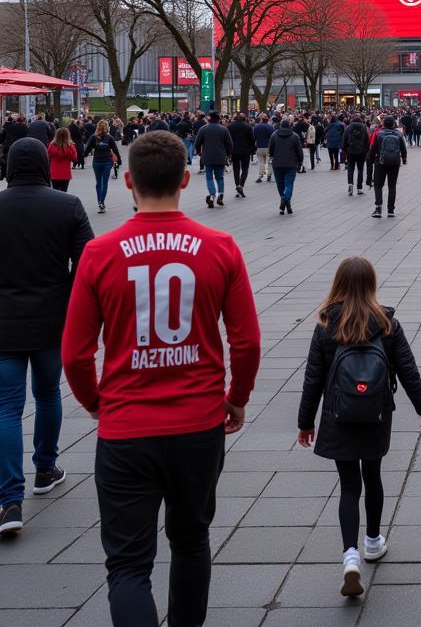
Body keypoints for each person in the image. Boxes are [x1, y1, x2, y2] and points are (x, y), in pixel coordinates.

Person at [61, 131, 261, 626]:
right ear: (187, 180)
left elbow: (75, 353)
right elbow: (248, 342)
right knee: (191, 541)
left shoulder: (99, 254)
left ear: (128, 181)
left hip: (127, 425)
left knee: (128, 565)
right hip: (198, 423)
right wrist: (236, 398)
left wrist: (95, 402)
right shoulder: (220, 247)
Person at [297, 256, 421, 596]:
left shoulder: (327, 325)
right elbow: (408, 369)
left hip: (338, 416)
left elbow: (313, 379)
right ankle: (373, 541)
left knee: (348, 487)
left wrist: (305, 422)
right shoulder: (387, 324)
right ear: (372, 285)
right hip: (375, 416)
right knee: (373, 477)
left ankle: (350, 556)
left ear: (338, 285)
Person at [0, 139, 92, 536]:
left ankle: (9, 498)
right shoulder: (66, 205)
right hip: (53, 318)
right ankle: (45, 467)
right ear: (42, 163)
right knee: (49, 393)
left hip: (4, 322)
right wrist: (68, 298)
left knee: (6, 406)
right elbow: (87, 261)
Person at [367, 116, 407, 219]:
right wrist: (404, 159)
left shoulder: (379, 134)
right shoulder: (399, 134)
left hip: (381, 161)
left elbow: (373, 149)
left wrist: (370, 161)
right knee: (392, 186)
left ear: (383, 124)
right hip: (394, 162)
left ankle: (378, 208)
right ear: (394, 124)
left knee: (378, 185)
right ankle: (390, 210)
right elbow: (403, 148)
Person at [193, 111, 232, 209]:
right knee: (220, 177)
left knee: (209, 177)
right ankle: (221, 195)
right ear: (218, 119)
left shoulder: (203, 129)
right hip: (220, 157)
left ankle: (212, 195)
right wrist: (228, 155)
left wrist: (199, 152)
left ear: (209, 118)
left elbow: (197, 143)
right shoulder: (224, 129)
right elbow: (229, 144)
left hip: (207, 157)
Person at [84, 118, 122, 214]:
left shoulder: (93, 137)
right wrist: (119, 161)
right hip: (106, 162)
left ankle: (99, 202)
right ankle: (101, 202)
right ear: (107, 127)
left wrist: (82, 157)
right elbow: (116, 150)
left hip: (97, 162)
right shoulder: (109, 138)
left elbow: (87, 149)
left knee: (98, 183)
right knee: (104, 183)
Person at [268, 117, 304, 215]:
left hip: (277, 164)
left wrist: (272, 156)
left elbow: (270, 150)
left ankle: (284, 202)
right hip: (291, 164)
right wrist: (300, 161)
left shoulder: (274, 135)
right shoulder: (295, 136)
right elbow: (299, 151)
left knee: (280, 185)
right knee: (289, 184)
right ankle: (285, 200)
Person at [227, 112, 256, 199]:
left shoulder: (230, 126)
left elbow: (228, 139)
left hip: (234, 151)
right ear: (245, 119)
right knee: (245, 169)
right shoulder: (248, 127)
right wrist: (252, 150)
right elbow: (252, 139)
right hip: (245, 151)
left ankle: (237, 185)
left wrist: (228, 151)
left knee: (236, 169)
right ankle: (241, 184)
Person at [342, 116, 371, 197]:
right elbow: (367, 141)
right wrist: (366, 151)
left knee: (350, 169)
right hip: (361, 152)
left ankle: (350, 184)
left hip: (350, 151)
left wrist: (344, 150)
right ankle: (359, 188)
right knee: (360, 170)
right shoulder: (363, 128)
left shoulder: (348, 128)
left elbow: (344, 140)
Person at [48, 126, 78, 192]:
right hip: (65, 173)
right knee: (64, 192)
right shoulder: (70, 146)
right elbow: (75, 158)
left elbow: (48, 156)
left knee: (55, 192)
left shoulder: (51, 146)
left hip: (54, 172)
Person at [253, 115, 274, 183]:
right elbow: (273, 137)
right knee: (269, 162)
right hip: (268, 147)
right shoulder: (270, 127)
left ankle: (261, 175)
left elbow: (254, 137)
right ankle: (268, 175)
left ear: (261, 119)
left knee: (261, 162)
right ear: (267, 120)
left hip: (259, 147)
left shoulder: (256, 127)